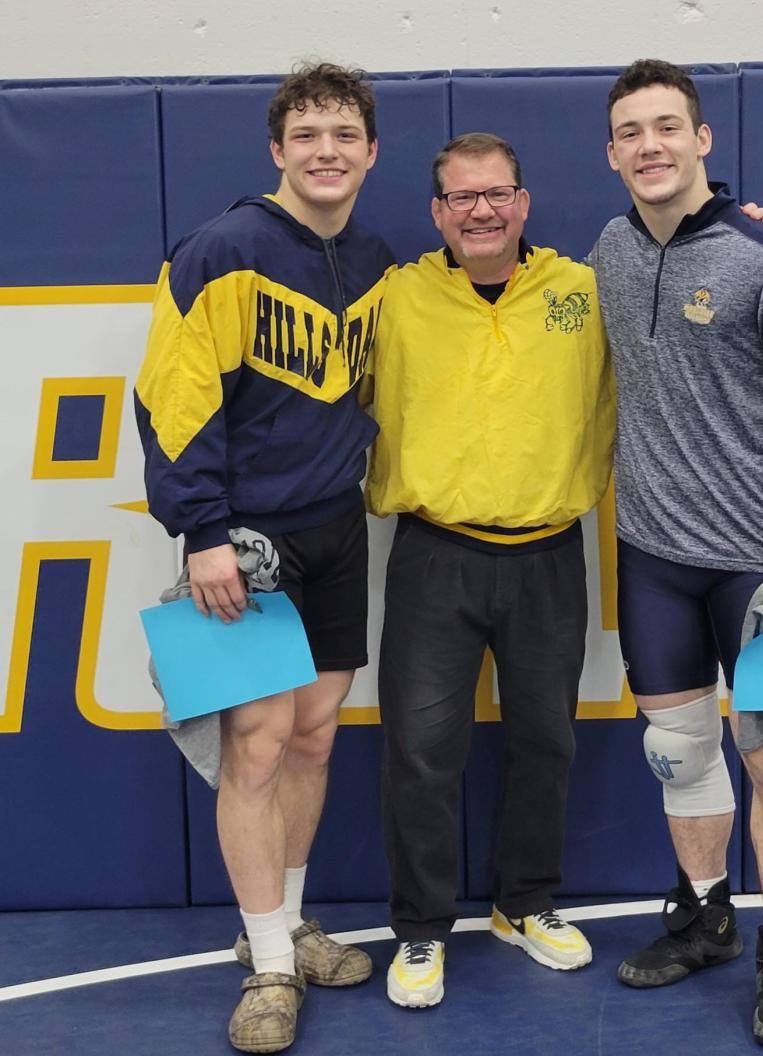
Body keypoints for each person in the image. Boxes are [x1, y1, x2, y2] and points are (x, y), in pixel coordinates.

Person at [588, 59, 763, 1048]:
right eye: (631, 131)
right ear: (610, 152)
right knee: (680, 753)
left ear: (704, 139)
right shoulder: (611, 248)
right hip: (654, 554)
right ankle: (704, 916)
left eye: (668, 126)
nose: (650, 145)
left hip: (761, 565)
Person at [134, 63, 394, 1053]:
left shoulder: (374, 258)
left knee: (316, 737)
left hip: (335, 531)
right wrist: (201, 532)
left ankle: (283, 925)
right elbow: (171, 399)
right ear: (276, 150)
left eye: (345, 134)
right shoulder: (222, 251)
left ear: (370, 152)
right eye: (308, 134)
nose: (327, 150)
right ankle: (271, 969)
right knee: (256, 745)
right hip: (244, 541)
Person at [366, 133, 616, 1008]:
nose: (481, 210)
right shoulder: (396, 296)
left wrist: (745, 223)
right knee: (423, 752)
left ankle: (525, 904)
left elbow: (679, 287)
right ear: (437, 212)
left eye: (497, 194)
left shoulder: (581, 293)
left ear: (524, 201)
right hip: (436, 553)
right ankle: (423, 931)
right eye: (462, 198)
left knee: (546, 742)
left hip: (550, 554)